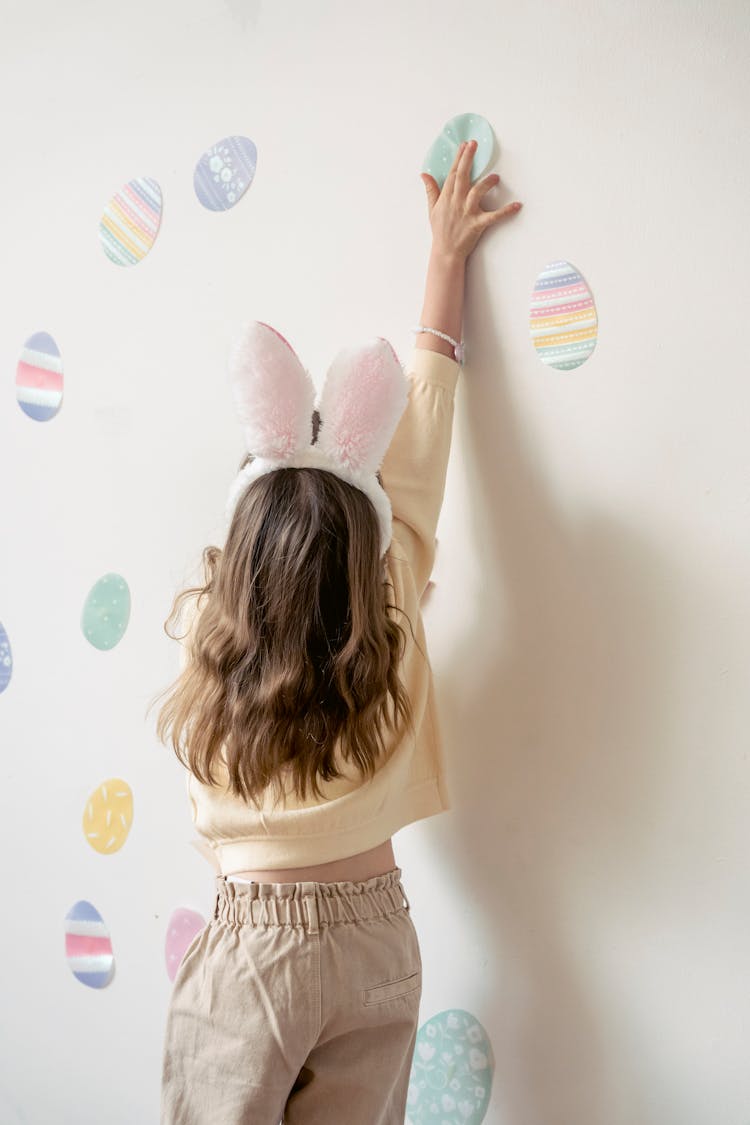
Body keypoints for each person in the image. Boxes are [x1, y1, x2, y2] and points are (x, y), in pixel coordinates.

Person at [158, 138, 522, 1125]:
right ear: (367, 543)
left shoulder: (210, 627)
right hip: (378, 936)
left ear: (243, 554)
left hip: (254, 945)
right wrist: (445, 262)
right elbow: (429, 416)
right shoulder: (393, 588)